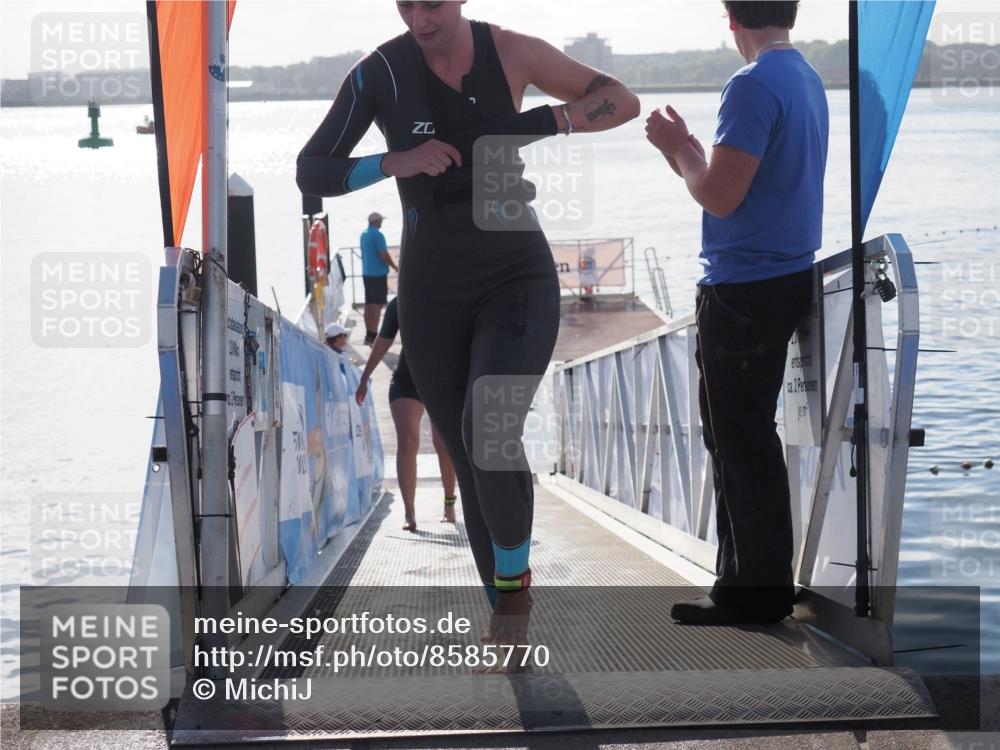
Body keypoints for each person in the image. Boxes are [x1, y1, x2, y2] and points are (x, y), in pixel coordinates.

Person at [297, 1, 639, 623]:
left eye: (432, 3)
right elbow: (310, 169)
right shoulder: (382, 74)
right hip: (430, 293)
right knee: (470, 450)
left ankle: (512, 602)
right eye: (406, 5)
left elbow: (621, 100)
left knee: (492, 429)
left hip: (516, 274)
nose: (419, 18)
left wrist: (545, 121)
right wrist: (393, 162)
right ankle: (505, 600)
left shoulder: (511, 51)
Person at [645, 0, 828, 625]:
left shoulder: (751, 86)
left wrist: (679, 150)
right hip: (786, 275)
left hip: (742, 287)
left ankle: (751, 594)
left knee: (737, 439)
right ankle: (764, 580)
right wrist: (695, 151)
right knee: (751, 436)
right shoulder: (805, 77)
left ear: (731, 20)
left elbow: (720, 196)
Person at [356, 296, 458, 531]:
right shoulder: (400, 303)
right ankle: (409, 512)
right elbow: (383, 341)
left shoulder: (450, 294)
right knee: (407, 442)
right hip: (406, 380)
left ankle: (449, 503)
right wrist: (364, 378)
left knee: (442, 443)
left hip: (441, 381)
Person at [360, 212, 398, 346]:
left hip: (366, 273)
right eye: (380, 220)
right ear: (376, 221)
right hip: (377, 274)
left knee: (368, 304)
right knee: (377, 305)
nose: (381, 222)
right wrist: (394, 266)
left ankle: (368, 334)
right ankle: (374, 335)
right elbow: (384, 254)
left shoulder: (364, 234)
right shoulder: (378, 235)